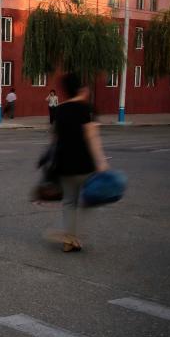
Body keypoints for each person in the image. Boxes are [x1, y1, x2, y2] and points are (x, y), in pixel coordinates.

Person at [52, 73, 108, 253]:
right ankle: (74, 236)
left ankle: (69, 240)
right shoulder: (86, 109)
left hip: (64, 164)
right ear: (81, 89)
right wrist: (101, 162)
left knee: (69, 202)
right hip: (85, 164)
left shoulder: (59, 109)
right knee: (89, 200)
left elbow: (55, 139)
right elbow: (92, 137)